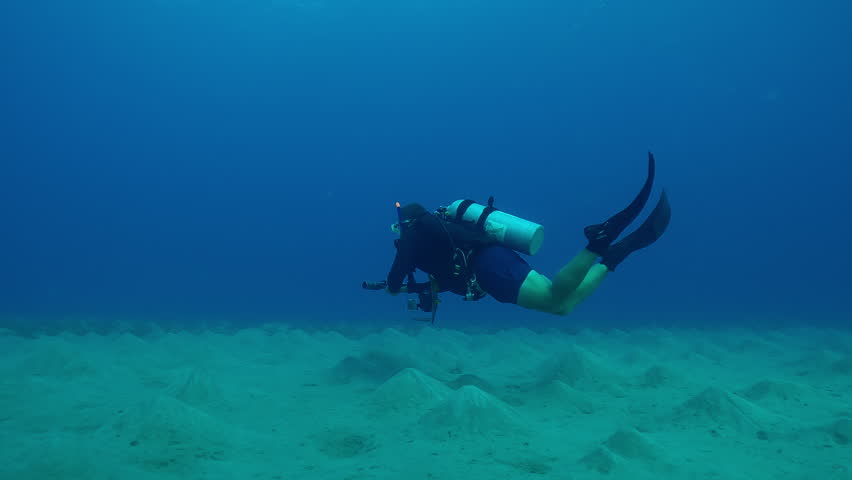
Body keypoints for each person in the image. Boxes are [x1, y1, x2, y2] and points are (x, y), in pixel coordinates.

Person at [384, 152, 671, 316]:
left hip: (489, 270)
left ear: (404, 223)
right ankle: (614, 255)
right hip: (494, 257)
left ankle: (598, 244)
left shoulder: (411, 238)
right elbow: (448, 275)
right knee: (563, 305)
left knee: (554, 297)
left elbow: (397, 277)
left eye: (397, 225)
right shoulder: (438, 229)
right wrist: (427, 288)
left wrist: (393, 286)